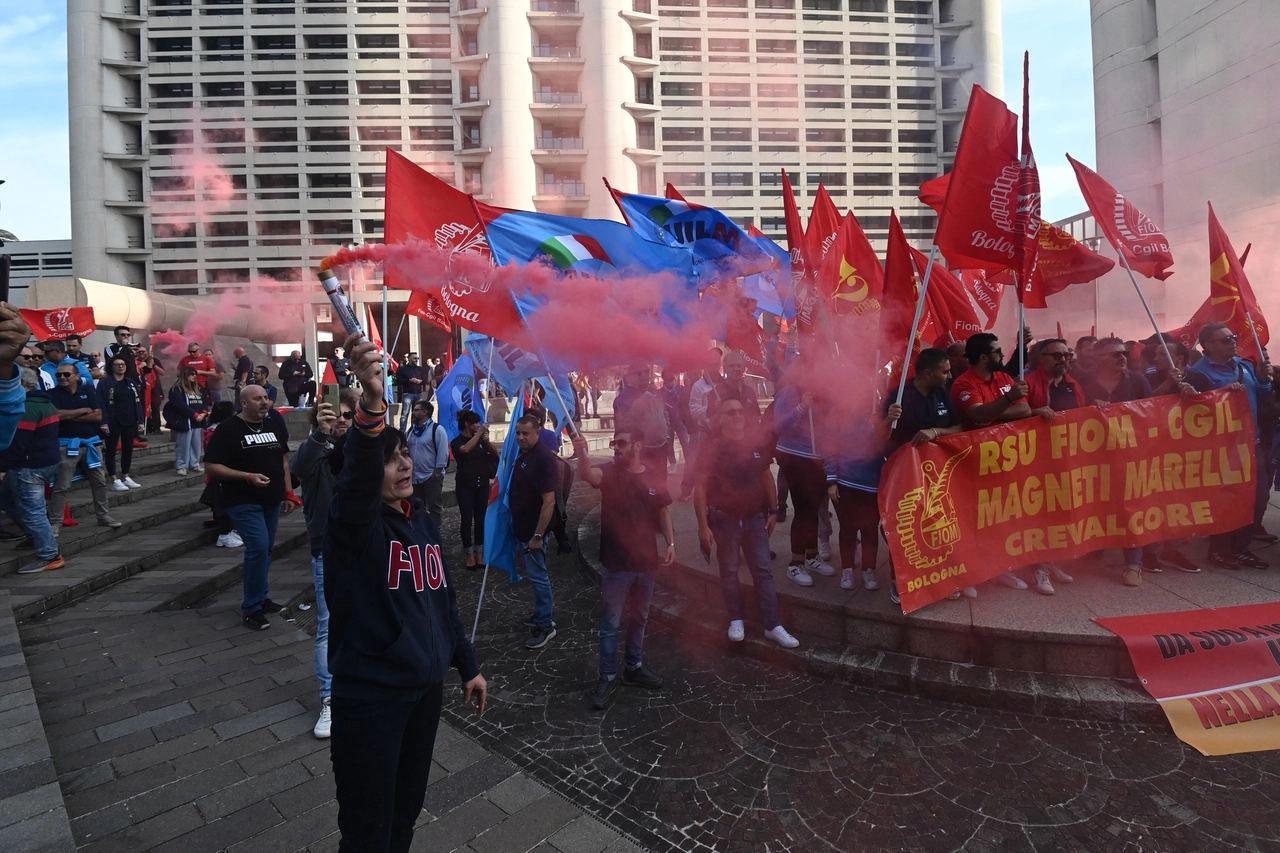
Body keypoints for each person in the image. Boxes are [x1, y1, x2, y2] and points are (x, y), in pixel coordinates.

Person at [323, 332, 485, 853]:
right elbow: (355, 480)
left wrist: (468, 663)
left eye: (405, 457)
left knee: (403, 820)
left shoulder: (421, 522)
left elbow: (442, 603)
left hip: (424, 694)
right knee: (367, 831)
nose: (404, 465)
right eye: (391, 460)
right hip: (372, 697)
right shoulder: (353, 528)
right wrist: (373, 401)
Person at [572, 427, 674, 711]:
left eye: (622, 442)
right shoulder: (610, 472)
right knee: (610, 624)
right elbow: (588, 476)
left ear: (637, 445)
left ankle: (634, 668)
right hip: (617, 563)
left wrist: (671, 542)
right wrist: (581, 453)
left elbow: (663, 511)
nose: (616, 447)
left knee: (640, 618)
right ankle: (607, 676)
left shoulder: (653, 474)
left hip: (647, 562)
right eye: (614, 442)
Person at [694, 397, 800, 649]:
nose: (737, 415)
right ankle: (736, 619)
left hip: (755, 519)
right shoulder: (711, 447)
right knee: (729, 571)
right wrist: (702, 525)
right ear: (720, 418)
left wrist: (774, 510)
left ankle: (772, 625)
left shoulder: (756, 443)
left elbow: (766, 477)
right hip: (724, 520)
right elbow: (700, 488)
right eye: (730, 412)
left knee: (763, 571)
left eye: (740, 411)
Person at [950, 333, 1040, 592]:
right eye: (998, 352)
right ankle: (969, 573)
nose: (1002, 355)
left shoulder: (1003, 378)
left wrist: (996, 412)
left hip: (1007, 460)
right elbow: (978, 416)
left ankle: (999, 568)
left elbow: (1024, 411)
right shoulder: (964, 384)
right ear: (983, 357)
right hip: (974, 463)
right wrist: (1007, 401)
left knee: (1001, 518)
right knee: (972, 521)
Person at [204, 383, 298, 630]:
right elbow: (212, 466)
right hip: (243, 500)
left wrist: (289, 493)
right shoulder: (228, 429)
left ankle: (262, 597)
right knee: (257, 547)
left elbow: (283, 462)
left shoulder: (273, 424)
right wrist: (247, 476)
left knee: (266, 550)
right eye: (258, 399)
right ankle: (251, 608)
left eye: (266, 397)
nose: (264, 402)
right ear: (243, 403)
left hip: (271, 499)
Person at [291, 390, 357, 740]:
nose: (341, 419)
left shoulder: (361, 449)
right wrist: (319, 433)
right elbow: (297, 469)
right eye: (334, 414)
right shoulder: (315, 452)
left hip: (365, 546)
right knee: (329, 623)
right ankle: (330, 698)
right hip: (327, 548)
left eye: (347, 413)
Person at [880, 348, 967, 602]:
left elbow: (958, 428)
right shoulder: (899, 396)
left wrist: (935, 431)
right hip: (902, 472)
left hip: (935, 473)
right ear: (929, 373)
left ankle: (939, 577)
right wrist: (887, 421)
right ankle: (900, 580)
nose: (950, 375)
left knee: (936, 522)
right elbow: (878, 439)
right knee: (904, 525)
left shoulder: (942, 393)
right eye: (945, 371)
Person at [1186, 323, 1273, 570]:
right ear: (1209, 346)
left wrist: (1264, 381)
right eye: (1226, 339)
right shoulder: (1198, 374)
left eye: (1233, 337)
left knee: (1258, 499)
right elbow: (1194, 412)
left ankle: (1240, 548)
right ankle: (1220, 549)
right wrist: (1222, 396)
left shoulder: (1243, 365)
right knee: (1227, 502)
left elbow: (1261, 397)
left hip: (1251, 444)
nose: (1233, 341)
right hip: (1222, 449)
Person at [772, 365, 834, 587]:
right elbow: (779, 427)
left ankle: (812, 556)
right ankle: (795, 564)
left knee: (815, 509)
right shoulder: (789, 392)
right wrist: (800, 408)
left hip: (818, 460)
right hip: (795, 458)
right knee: (803, 511)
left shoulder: (823, 394)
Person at [47, 363, 122, 531]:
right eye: (58, 375)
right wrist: (82, 410)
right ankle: (55, 523)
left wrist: (69, 415)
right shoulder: (51, 394)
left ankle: (103, 515)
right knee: (61, 486)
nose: (62, 378)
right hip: (66, 445)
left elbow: (98, 416)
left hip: (90, 444)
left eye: (66, 374)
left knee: (100, 482)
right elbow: (56, 415)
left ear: (77, 376)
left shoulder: (88, 391)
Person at [4, 368, 64, 574]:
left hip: (29, 465)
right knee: (6, 498)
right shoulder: (45, 403)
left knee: (33, 512)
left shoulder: (26, 407)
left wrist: (3, 467)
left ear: (21, 385)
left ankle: (50, 555)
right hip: (44, 461)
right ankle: (34, 536)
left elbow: (18, 442)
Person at [509, 413, 560, 649]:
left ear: (538, 433)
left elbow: (549, 502)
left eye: (525, 433)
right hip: (522, 527)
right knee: (535, 574)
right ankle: (541, 613)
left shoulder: (542, 459)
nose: (520, 437)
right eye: (518, 433)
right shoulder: (525, 454)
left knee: (539, 576)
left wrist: (538, 536)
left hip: (533, 531)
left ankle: (545, 623)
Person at [451, 410, 497, 569]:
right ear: (467, 424)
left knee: (481, 519)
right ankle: (469, 553)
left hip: (482, 484)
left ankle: (480, 551)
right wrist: (479, 435)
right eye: (475, 423)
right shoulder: (457, 441)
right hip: (465, 485)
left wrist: (486, 440)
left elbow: (493, 453)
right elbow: (464, 450)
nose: (478, 425)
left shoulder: (480, 440)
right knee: (466, 520)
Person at [615, 363, 670, 486]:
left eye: (646, 372)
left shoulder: (653, 393)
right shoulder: (625, 396)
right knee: (644, 484)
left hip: (660, 446)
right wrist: (647, 395)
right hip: (642, 450)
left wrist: (667, 435)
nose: (645, 375)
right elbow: (629, 419)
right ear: (629, 377)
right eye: (640, 373)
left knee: (660, 482)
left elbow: (664, 412)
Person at [682, 348, 723, 501]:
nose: (715, 366)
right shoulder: (698, 386)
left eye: (717, 363)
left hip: (722, 432)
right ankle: (687, 489)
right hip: (704, 432)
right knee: (696, 463)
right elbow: (694, 411)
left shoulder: (725, 383)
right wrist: (710, 408)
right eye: (712, 363)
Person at [100, 356, 145, 491]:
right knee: (111, 450)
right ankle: (114, 479)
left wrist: (140, 420)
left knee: (128, 449)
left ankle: (126, 475)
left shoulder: (130, 382)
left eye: (123, 364)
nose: (120, 367)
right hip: (112, 420)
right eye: (117, 364)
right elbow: (101, 403)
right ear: (111, 367)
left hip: (129, 420)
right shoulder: (106, 383)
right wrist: (103, 422)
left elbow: (137, 402)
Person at [405, 398, 448, 529]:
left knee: (434, 507)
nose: (413, 412)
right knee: (418, 506)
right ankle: (420, 532)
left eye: (417, 410)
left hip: (431, 476)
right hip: (415, 476)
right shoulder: (412, 430)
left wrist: (436, 472)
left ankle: (435, 533)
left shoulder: (437, 429)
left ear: (425, 412)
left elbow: (443, 452)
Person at [167, 365, 212, 476]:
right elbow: (179, 405)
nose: (194, 376)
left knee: (196, 444)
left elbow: (204, 402)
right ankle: (181, 466)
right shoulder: (176, 389)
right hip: (184, 421)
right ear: (185, 375)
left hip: (197, 421)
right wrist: (194, 415)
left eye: (195, 374)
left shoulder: (198, 388)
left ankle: (194, 463)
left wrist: (204, 413)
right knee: (183, 445)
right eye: (191, 374)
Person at [660, 369, 691, 476]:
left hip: (680, 421)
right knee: (669, 444)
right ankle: (672, 464)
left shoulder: (680, 389)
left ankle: (689, 462)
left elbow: (686, 403)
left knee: (685, 442)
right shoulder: (660, 392)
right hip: (668, 422)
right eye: (669, 374)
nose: (672, 375)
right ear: (664, 377)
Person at [396, 353, 426, 431]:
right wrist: (409, 380)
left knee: (417, 413)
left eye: (417, 358)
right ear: (409, 359)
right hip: (408, 394)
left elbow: (425, 380)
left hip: (418, 393)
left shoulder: (420, 369)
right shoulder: (403, 369)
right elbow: (398, 381)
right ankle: (402, 431)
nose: (416, 360)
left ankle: (414, 429)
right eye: (414, 358)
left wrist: (421, 381)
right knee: (405, 414)